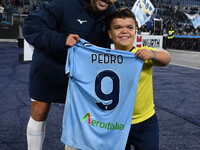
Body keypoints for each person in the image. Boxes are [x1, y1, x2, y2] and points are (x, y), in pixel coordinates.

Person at [22, 0, 116, 150]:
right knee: (39, 112)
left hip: (80, 74)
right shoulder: (62, 3)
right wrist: (61, 39)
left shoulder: (111, 12)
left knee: (77, 120)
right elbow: (30, 27)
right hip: (48, 67)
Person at [107, 7, 171, 150]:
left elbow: (167, 57)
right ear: (110, 34)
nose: (124, 31)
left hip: (145, 121)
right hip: (115, 121)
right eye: (118, 27)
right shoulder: (105, 58)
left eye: (129, 27)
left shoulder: (143, 53)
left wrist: (153, 54)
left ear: (135, 32)